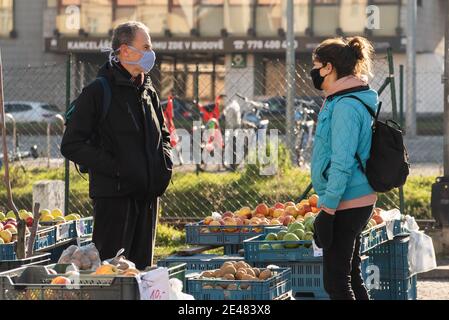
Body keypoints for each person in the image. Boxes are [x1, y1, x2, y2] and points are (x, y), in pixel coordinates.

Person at [61, 21, 172, 270]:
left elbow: (164, 136)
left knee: (141, 273)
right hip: (114, 199)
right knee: (112, 276)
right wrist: (118, 167)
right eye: (145, 47)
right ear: (124, 51)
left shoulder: (148, 91)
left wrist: (163, 166)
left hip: (147, 198)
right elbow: (71, 145)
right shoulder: (98, 92)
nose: (151, 53)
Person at [309, 36, 378, 300]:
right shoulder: (344, 99)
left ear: (328, 67)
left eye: (316, 65)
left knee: (336, 284)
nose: (313, 72)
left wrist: (327, 210)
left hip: (346, 203)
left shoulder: (346, 106)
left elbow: (342, 162)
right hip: (352, 199)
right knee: (350, 275)